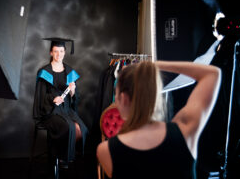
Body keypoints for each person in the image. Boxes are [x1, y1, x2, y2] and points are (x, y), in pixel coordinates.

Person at [96, 61, 221, 179]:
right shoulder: (184, 129)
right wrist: (155, 65)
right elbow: (212, 73)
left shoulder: (106, 151)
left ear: (123, 98)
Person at [33, 37, 88, 165]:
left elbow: (75, 97)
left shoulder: (69, 72)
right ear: (51, 52)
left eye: (61, 51)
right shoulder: (44, 72)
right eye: (56, 51)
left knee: (82, 129)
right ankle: (60, 156)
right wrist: (53, 99)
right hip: (51, 111)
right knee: (68, 127)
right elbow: (40, 97)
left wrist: (73, 90)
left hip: (66, 110)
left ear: (65, 52)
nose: (59, 54)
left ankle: (65, 153)